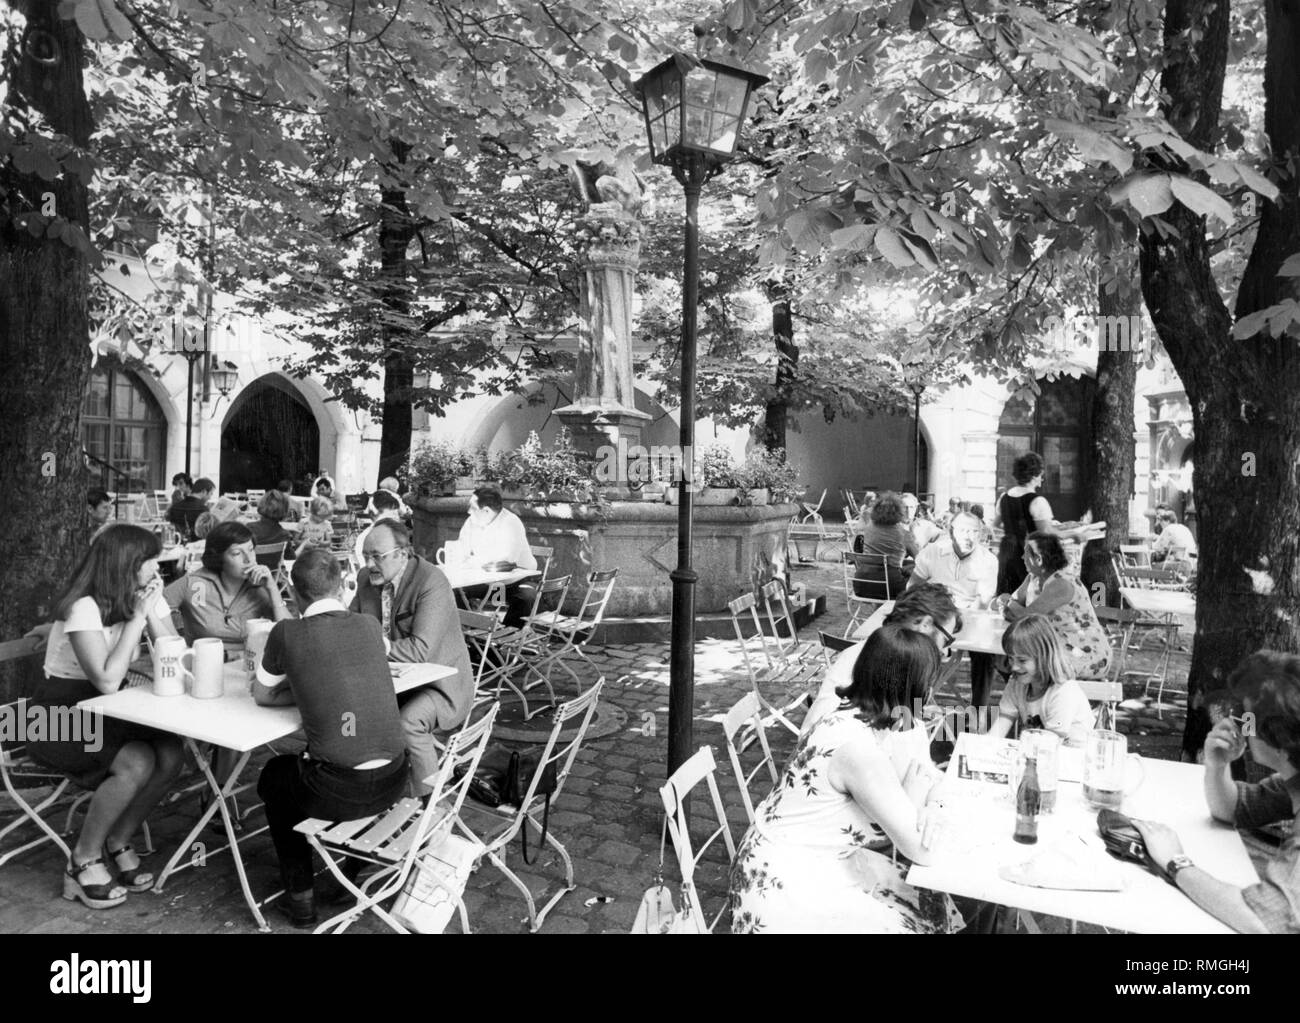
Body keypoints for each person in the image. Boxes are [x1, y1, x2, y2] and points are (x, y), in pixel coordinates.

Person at [728, 625, 962, 933]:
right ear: (914, 689)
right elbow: (920, 850)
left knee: (926, 901)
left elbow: (926, 775)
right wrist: (917, 801)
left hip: (798, 860)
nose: (930, 694)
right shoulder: (859, 751)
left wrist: (932, 806)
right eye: (928, 684)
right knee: (919, 913)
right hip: (786, 885)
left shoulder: (852, 715)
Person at [27, 524, 185, 910]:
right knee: (136, 761)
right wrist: (138, 618)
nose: (157, 568)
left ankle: (118, 839)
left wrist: (150, 612)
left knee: (171, 754)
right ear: (125, 564)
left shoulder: (142, 596)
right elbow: (108, 680)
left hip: (108, 707)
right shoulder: (84, 606)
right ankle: (82, 859)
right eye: (149, 561)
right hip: (54, 714)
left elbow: (177, 655)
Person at [254, 549, 408, 928]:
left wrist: (303, 689)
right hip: (394, 778)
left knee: (275, 776)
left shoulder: (286, 632)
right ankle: (353, 870)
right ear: (342, 587)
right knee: (331, 758)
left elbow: (263, 694)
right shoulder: (369, 625)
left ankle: (301, 898)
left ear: (293, 592)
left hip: (336, 791)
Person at [1131, 650, 1300, 934]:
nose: (1239, 725)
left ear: (1281, 741)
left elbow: (1263, 920)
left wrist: (1176, 862)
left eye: (1247, 719)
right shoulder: (1293, 778)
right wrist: (1217, 765)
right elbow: (1233, 809)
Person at [351, 521, 475, 797]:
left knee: (409, 722)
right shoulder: (365, 579)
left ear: (402, 553)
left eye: (377, 557)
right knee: (345, 714)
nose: (369, 564)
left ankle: (432, 806)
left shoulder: (431, 581)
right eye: (365, 556)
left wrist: (373, 645)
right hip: (391, 683)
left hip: (441, 686)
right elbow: (351, 625)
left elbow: (421, 650)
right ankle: (368, 794)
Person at [805, 583, 961, 736]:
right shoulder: (880, 661)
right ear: (925, 624)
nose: (944, 650)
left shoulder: (892, 655)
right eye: (947, 640)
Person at [909, 510, 1000, 706]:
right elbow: (913, 586)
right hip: (935, 615)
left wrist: (959, 622)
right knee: (916, 648)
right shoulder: (933, 551)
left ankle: (978, 711)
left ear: (981, 534)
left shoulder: (988, 560)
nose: (969, 537)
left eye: (974, 532)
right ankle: (914, 706)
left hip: (970, 618)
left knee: (985, 653)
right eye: (964, 531)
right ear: (951, 532)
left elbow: (982, 602)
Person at [164, 521, 291, 659]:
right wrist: (180, 649)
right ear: (219, 558)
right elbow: (154, 607)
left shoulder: (259, 587)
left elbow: (290, 635)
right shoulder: (193, 583)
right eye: (237, 553)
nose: (249, 559)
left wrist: (272, 589)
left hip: (246, 665)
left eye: (251, 549)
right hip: (202, 665)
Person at [999, 531, 1111, 681]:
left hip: (1085, 652)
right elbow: (1013, 608)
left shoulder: (1061, 583)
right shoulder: (1033, 578)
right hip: (1055, 647)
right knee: (1014, 661)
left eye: (1025, 554)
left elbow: (1025, 617)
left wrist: (1008, 603)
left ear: (1038, 559)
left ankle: (1031, 695)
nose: (1022, 558)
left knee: (1026, 667)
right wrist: (1009, 605)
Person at [988, 614, 1094, 747]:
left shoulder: (1063, 691)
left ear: (1044, 657)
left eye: (1022, 660)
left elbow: (1049, 745)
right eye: (1010, 658)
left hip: (1070, 755)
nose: (1014, 667)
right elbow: (1001, 724)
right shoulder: (1017, 683)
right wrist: (984, 745)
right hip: (1037, 752)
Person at [451, 486, 539, 627]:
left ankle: (506, 636)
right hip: (485, 581)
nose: (469, 511)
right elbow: (461, 549)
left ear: (486, 511)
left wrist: (474, 561)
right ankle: (471, 630)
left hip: (515, 582)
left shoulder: (511, 522)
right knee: (450, 590)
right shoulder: (472, 521)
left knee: (527, 597)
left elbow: (506, 559)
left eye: (472, 507)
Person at [991, 451, 1054, 595]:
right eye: (1040, 475)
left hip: (1006, 550)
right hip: (1027, 552)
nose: (1042, 479)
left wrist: (1013, 527)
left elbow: (995, 525)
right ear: (1033, 476)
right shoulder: (1037, 501)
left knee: (1005, 591)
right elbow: (1047, 533)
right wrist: (1074, 533)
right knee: (1026, 593)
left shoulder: (1004, 497)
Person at [852, 491, 918, 599]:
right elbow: (920, 559)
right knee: (919, 577)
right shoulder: (904, 534)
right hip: (890, 588)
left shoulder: (869, 528)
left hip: (861, 585)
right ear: (899, 512)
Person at [354, 490, 404, 567]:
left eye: (396, 514)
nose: (396, 519)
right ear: (375, 515)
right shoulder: (365, 539)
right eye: (390, 516)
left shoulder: (398, 535)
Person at [247, 489, 294, 553]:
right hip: (275, 559)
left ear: (262, 504)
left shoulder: (249, 528)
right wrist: (304, 544)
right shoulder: (285, 535)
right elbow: (291, 557)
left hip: (251, 559)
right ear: (285, 509)